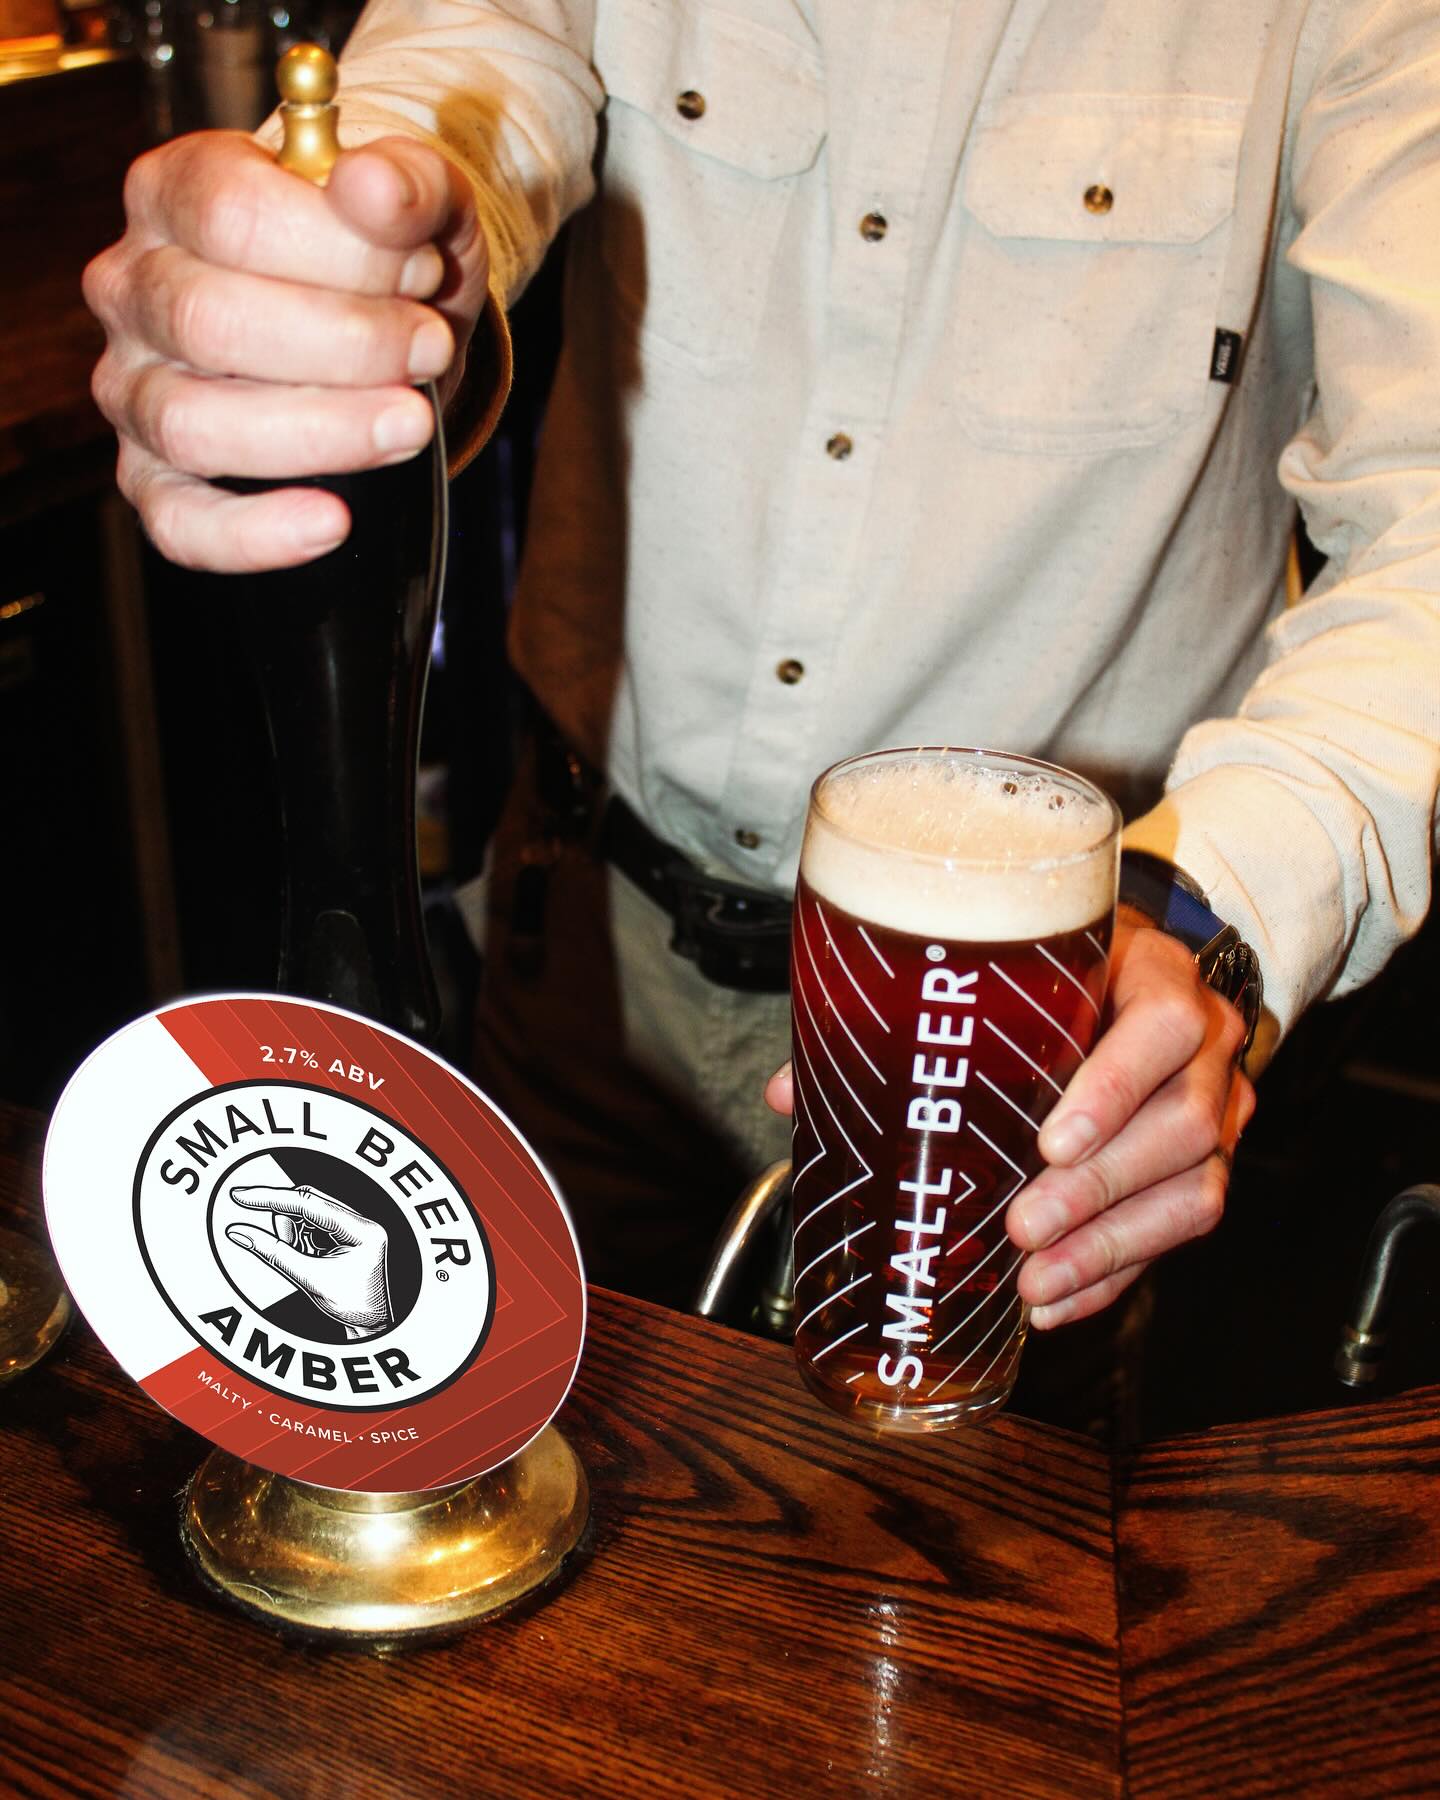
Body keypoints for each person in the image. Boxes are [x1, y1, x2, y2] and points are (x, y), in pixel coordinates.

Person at [83, 2, 1439, 1337]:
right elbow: (460, 75)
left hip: (1028, 1029)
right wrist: (323, 275)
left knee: (943, 1477)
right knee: (505, 1420)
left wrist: (1204, 915)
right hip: (585, 960)